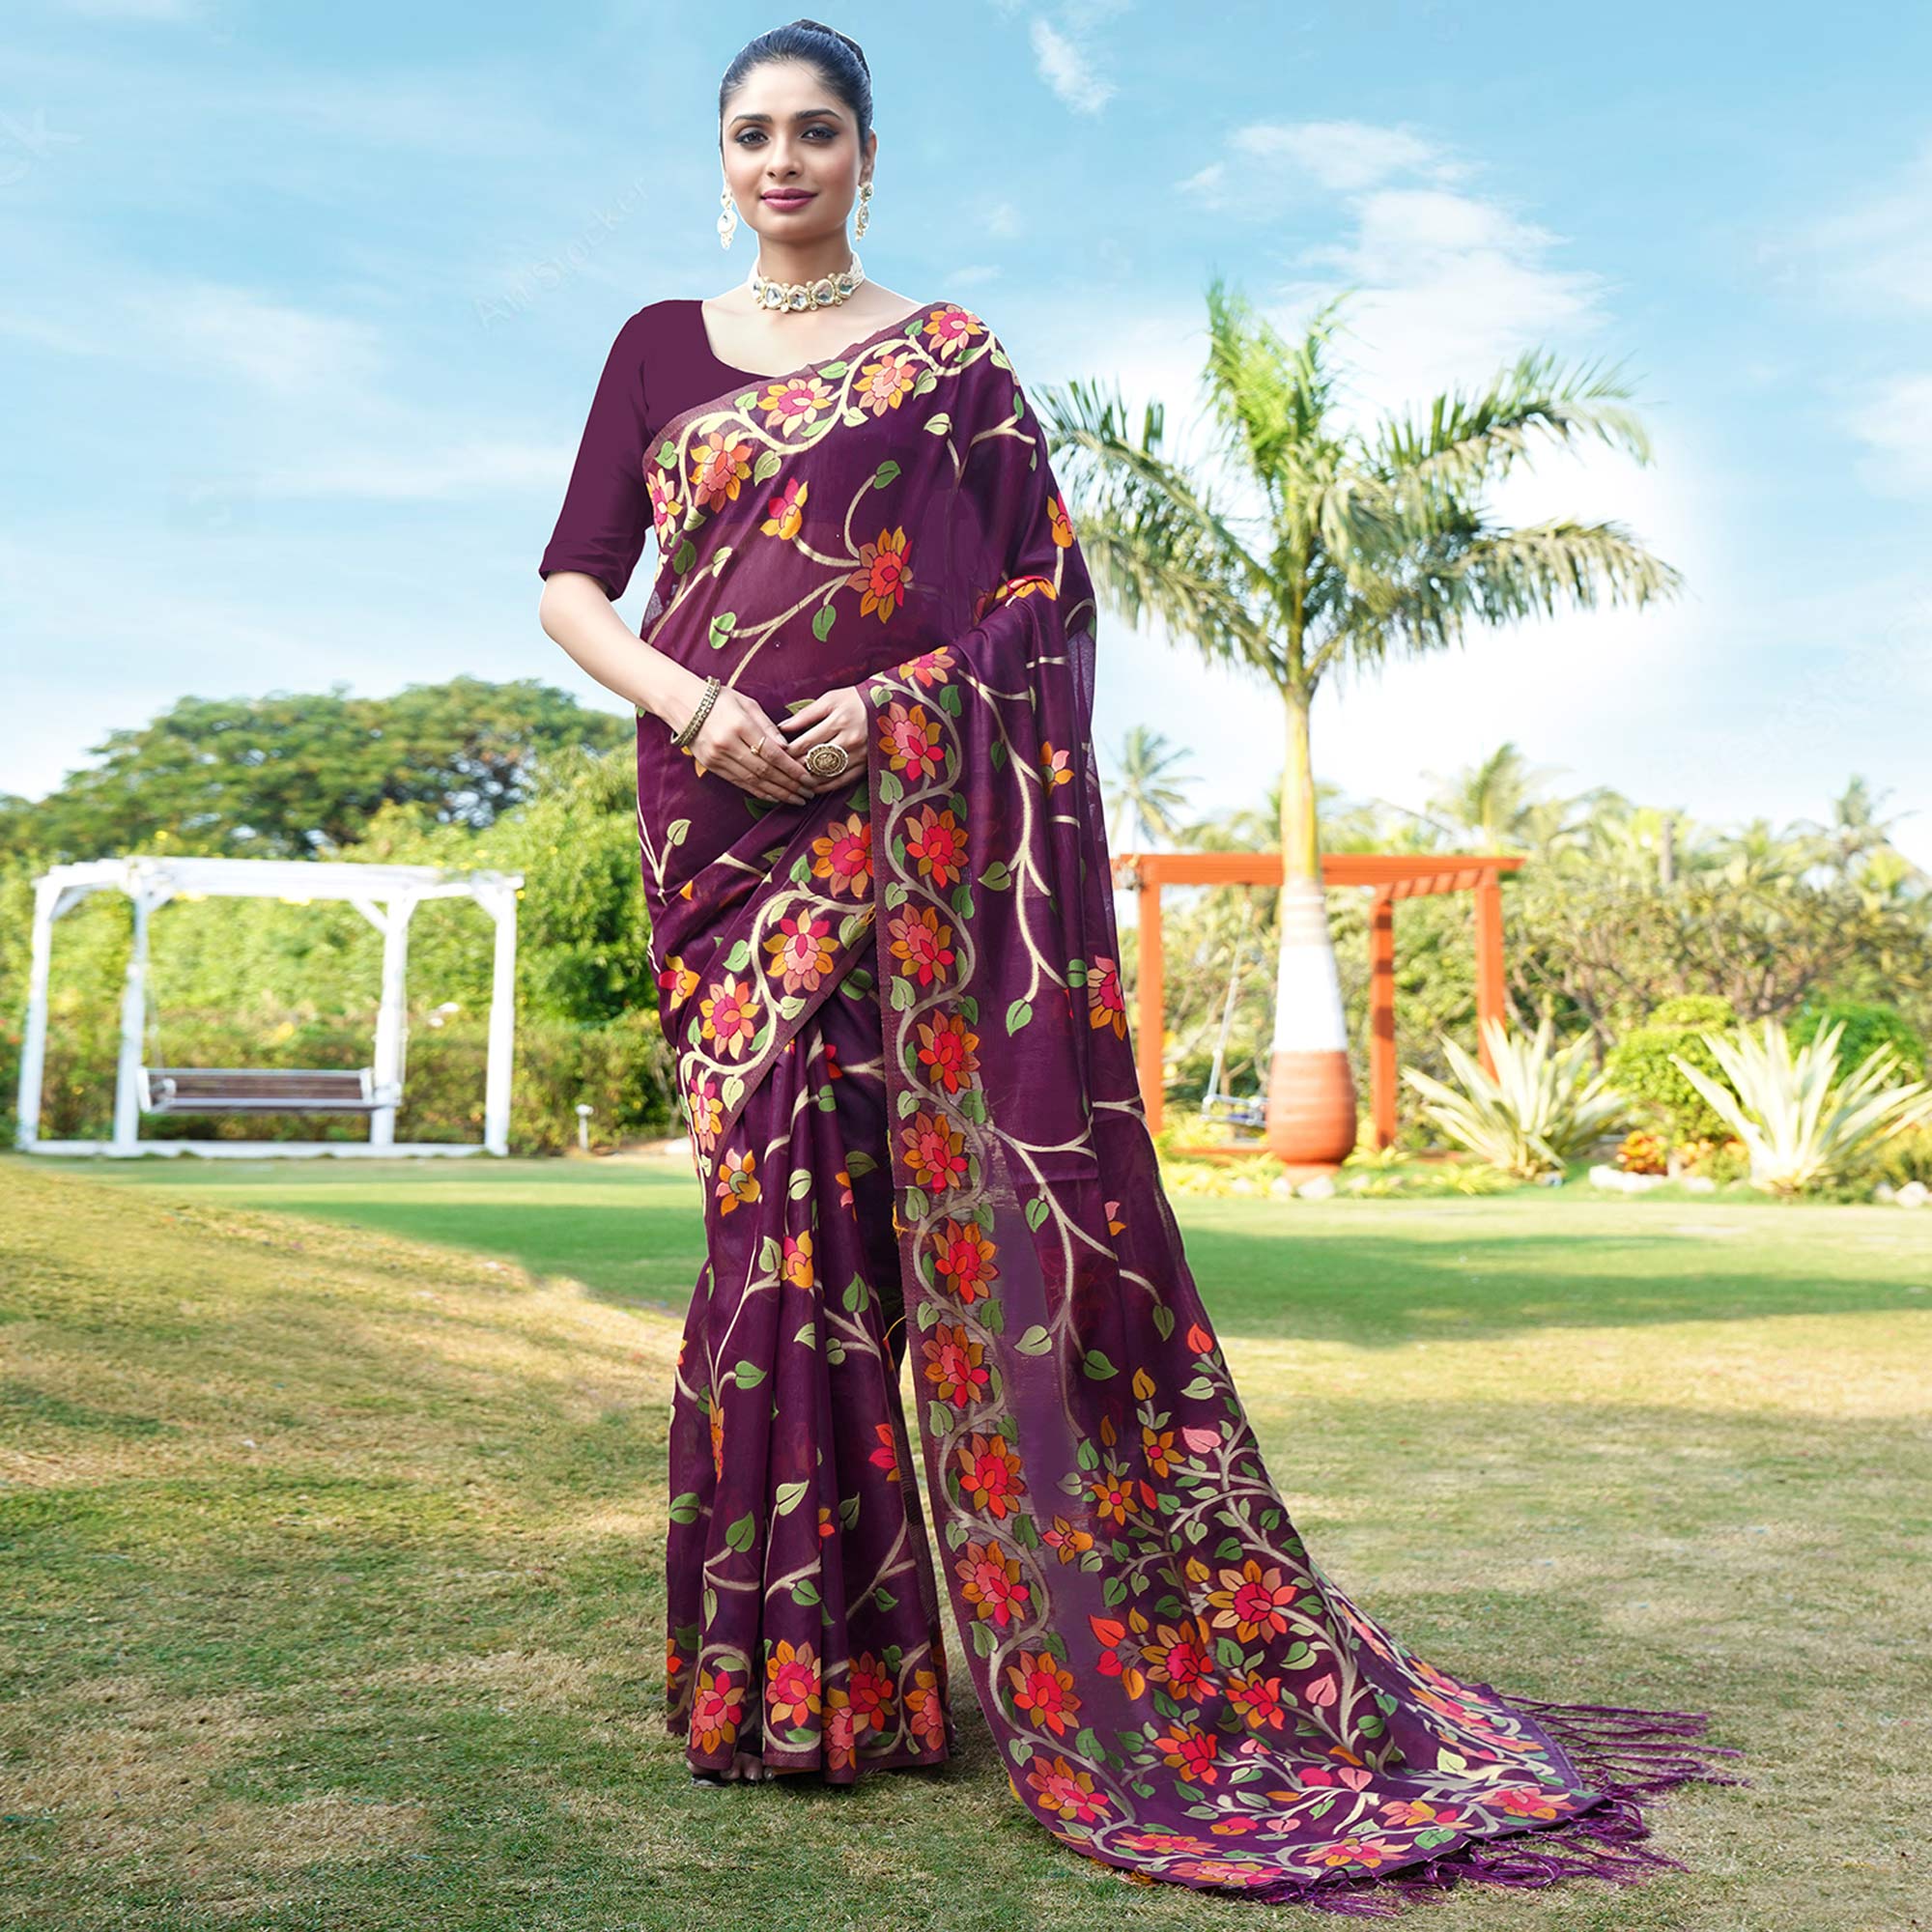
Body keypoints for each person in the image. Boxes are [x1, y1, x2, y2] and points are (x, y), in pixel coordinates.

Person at [536, 17, 1741, 1913]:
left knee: (923, 1243)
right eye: (752, 132)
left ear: (867, 158)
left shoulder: (951, 363)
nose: (781, 161)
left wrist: (886, 711)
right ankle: (791, 1685)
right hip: (723, 835)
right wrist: (702, 707)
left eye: (816, 132)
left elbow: (1041, 603)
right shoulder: (652, 351)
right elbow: (572, 585)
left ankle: (930, 1678)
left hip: (906, 842)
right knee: (773, 1241)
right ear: (722, 158)